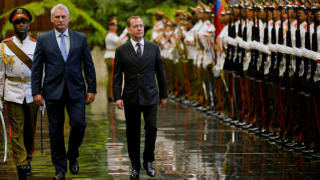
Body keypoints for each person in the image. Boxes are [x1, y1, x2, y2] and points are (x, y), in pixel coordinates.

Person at [31, 4, 97, 179]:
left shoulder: (80, 38)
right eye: (57, 17)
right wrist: (36, 91)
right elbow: (37, 67)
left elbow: (88, 65)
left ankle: (73, 154)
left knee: (79, 124)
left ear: (69, 18)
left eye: (63, 17)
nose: (61, 20)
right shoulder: (43, 39)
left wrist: (92, 88)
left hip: (76, 91)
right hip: (52, 91)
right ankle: (60, 169)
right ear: (52, 19)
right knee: (55, 131)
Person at [113, 16, 168, 179]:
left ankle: (148, 160)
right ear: (129, 29)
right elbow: (116, 76)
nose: (139, 28)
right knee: (133, 133)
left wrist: (164, 95)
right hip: (131, 96)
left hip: (151, 95)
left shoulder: (153, 48)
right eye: (135, 26)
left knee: (152, 128)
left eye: (141, 26)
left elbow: (161, 73)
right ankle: (135, 165)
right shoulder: (121, 50)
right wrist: (117, 96)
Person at [0, 7, 37, 179]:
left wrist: (42, 93)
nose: (21, 25)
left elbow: (41, 72)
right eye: (17, 22)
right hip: (12, 91)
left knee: (30, 129)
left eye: (24, 22)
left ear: (29, 24)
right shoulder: (4, 46)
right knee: (17, 129)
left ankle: (28, 157)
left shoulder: (37, 45)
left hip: (31, 92)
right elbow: (0, 74)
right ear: (13, 25)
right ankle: (21, 163)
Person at [104, 17, 128, 102]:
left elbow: (121, 43)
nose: (114, 26)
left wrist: (124, 37)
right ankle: (111, 96)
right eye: (112, 24)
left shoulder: (113, 35)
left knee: (113, 77)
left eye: (116, 25)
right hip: (111, 56)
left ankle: (111, 96)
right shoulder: (110, 35)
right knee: (113, 77)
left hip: (112, 56)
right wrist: (125, 31)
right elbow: (119, 41)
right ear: (109, 26)